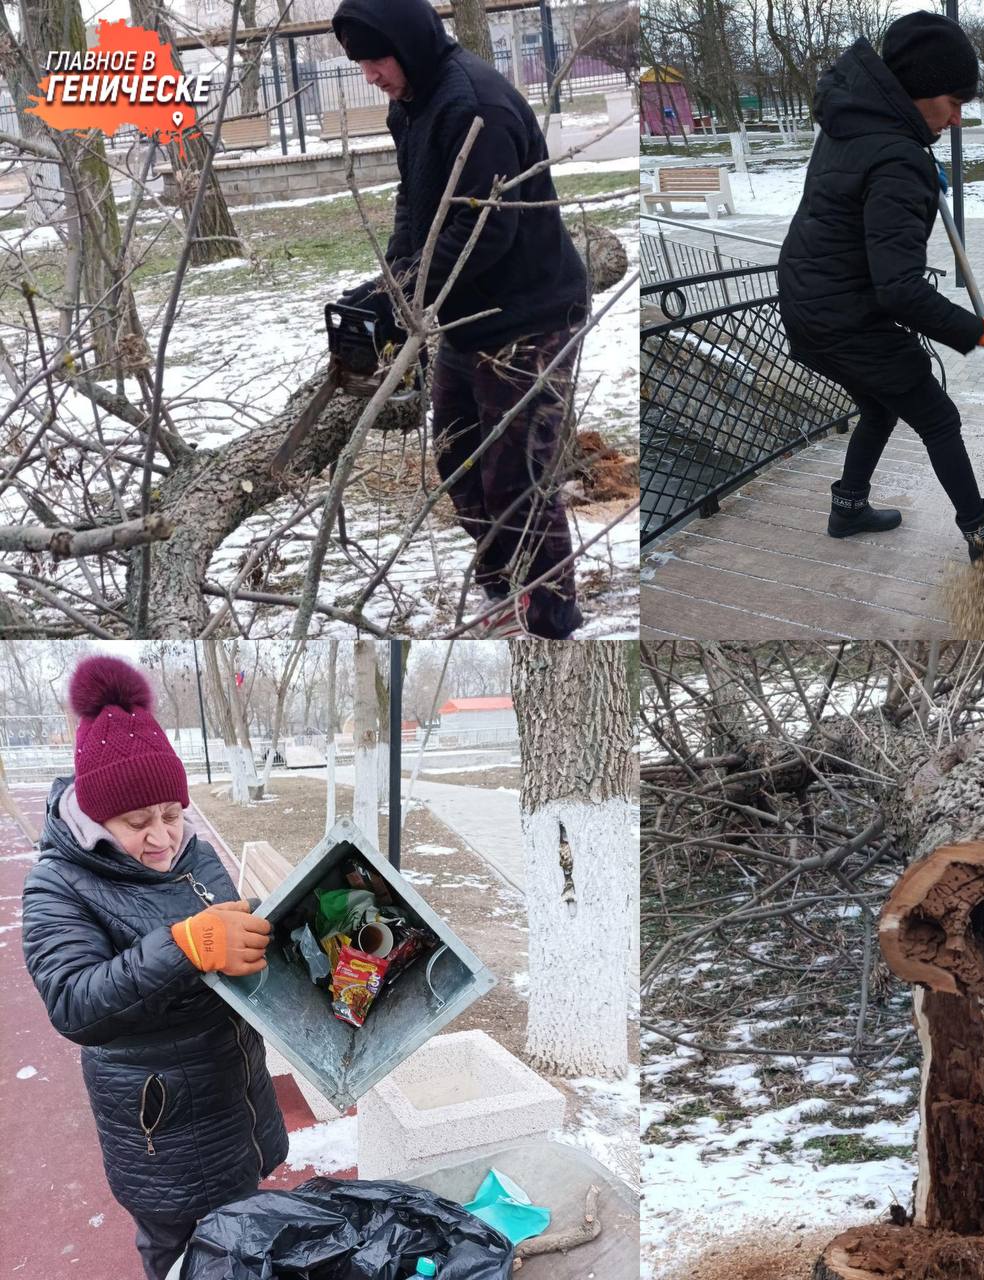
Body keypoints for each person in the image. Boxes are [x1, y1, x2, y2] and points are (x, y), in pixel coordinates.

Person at [331, 0, 591, 638]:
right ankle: (504, 591)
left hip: (530, 316)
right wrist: (394, 280)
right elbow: (416, 201)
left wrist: (406, 300)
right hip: (466, 315)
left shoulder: (477, 107)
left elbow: (484, 229)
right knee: (459, 460)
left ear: (407, 43)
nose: (369, 74)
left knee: (518, 479)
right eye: (360, 63)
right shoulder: (413, 100)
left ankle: (551, 616)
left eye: (375, 59)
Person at [22, 655, 287, 1280]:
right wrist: (187, 946)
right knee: (179, 1258)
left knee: (243, 1240)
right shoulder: (58, 885)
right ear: (96, 815)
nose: (163, 837)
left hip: (237, 1101)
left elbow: (232, 949)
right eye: (138, 822)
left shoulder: (194, 853)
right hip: (160, 1132)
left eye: (172, 813)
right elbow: (74, 1002)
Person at [778, 11, 984, 561]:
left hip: (809, 304)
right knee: (936, 414)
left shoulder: (854, 123)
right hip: (845, 317)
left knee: (882, 405)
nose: (956, 118)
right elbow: (900, 290)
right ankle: (983, 534)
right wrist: (975, 329)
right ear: (921, 91)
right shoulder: (896, 156)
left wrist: (913, 164)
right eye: (954, 103)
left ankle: (849, 508)